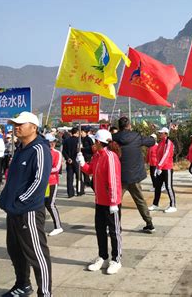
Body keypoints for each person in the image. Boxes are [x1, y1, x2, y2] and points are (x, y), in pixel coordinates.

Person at [0, 111, 52, 297]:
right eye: (15, 124)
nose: (16, 127)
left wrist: (21, 200)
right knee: (15, 250)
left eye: (21, 124)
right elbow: (13, 179)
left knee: (37, 254)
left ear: (34, 127)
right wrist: (6, 198)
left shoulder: (40, 149)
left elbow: (39, 181)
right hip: (13, 210)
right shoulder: (20, 148)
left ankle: (45, 293)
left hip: (28, 211)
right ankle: (22, 285)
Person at [76, 129, 123, 275]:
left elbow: (113, 179)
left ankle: (116, 259)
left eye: (93, 141)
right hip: (100, 200)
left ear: (98, 142)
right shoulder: (97, 155)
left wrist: (114, 201)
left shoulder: (110, 156)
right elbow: (90, 170)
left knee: (114, 231)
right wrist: (82, 163)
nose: (91, 145)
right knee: (100, 230)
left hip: (111, 202)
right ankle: (103, 256)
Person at [112, 117, 156, 233]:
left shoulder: (113, 138)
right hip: (135, 176)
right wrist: (152, 136)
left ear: (119, 126)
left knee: (116, 202)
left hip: (119, 177)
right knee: (140, 201)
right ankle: (149, 224)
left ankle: (117, 226)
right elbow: (151, 142)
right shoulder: (136, 136)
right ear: (129, 125)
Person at [149, 127, 177, 213]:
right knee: (157, 187)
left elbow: (166, 155)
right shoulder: (161, 143)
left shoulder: (169, 143)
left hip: (167, 168)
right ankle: (155, 204)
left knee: (168, 187)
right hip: (160, 168)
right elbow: (158, 156)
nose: (160, 134)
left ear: (166, 133)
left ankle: (173, 205)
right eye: (159, 133)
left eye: (161, 133)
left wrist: (160, 166)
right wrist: (157, 167)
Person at [45, 134, 63, 236]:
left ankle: (58, 226)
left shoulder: (57, 153)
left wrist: (44, 170)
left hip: (52, 181)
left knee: (50, 204)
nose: (52, 144)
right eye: (49, 142)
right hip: (43, 182)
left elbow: (57, 168)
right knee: (42, 204)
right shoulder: (42, 152)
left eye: (53, 142)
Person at [62, 128, 82, 198]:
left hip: (69, 161)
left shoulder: (66, 141)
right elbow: (80, 151)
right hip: (77, 161)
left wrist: (68, 158)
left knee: (69, 178)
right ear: (76, 132)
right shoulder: (79, 141)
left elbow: (63, 151)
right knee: (78, 177)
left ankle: (70, 193)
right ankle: (79, 191)